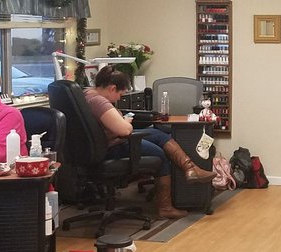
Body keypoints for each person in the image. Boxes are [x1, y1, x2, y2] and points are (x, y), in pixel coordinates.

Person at [86, 66, 213, 219]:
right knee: (160, 156)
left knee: (158, 134)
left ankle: (190, 168)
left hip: (101, 145)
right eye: (120, 94)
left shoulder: (87, 94)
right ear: (112, 88)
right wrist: (125, 121)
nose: (119, 98)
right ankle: (165, 208)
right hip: (112, 147)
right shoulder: (99, 102)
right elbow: (125, 130)